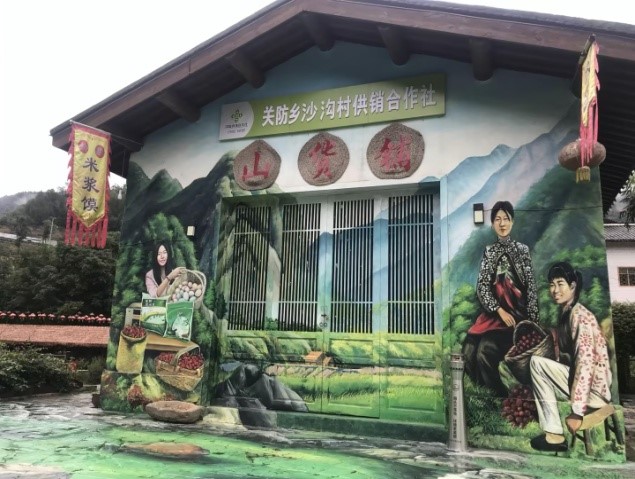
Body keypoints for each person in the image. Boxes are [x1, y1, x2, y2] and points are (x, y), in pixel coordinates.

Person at [529, 261, 612, 453]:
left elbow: (585, 364)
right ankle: (554, 433)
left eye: (560, 284)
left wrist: (577, 411)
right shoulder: (568, 311)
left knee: (537, 364)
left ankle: (554, 435)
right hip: (584, 386)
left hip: (594, 392)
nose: (555, 290)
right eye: (552, 284)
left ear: (573, 286)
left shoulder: (580, 316)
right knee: (539, 363)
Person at [462, 200, 539, 397]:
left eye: (506, 219)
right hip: (495, 316)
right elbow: (482, 287)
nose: (502, 223)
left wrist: (532, 324)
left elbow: (530, 288)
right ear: (493, 223)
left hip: (516, 319)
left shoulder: (522, 250)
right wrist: (498, 310)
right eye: (497, 219)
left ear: (512, 222)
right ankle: (482, 394)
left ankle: (498, 396)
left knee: (484, 352)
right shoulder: (490, 252)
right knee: (469, 350)